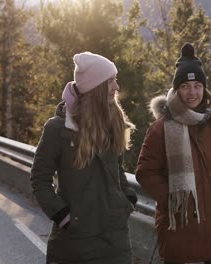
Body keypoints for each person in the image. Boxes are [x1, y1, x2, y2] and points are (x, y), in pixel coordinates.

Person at [30, 51, 137, 264]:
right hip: (74, 244)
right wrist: (63, 216)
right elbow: (40, 180)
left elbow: (117, 168)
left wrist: (127, 199)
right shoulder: (57, 129)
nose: (116, 87)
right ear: (95, 88)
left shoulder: (113, 121)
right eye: (110, 81)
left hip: (115, 241)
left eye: (115, 80)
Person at [135, 43, 211, 264]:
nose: (192, 92)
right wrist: (174, 202)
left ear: (204, 88)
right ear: (177, 89)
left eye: (197, 85)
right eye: (185, 86)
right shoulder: (162, 128)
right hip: (182, 239)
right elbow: (145, 172)